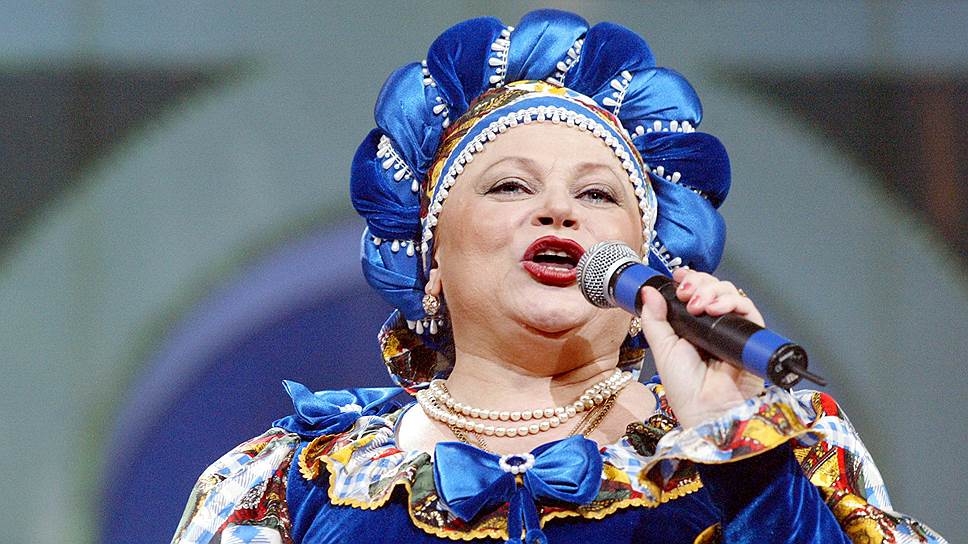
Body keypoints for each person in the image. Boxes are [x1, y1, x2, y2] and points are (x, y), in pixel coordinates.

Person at [171, 10, 946, 544]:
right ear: (429, 260)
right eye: (511, 186)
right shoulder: (292, 483)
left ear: (647, 261)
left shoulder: (783, 447)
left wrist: (737, 448)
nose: (558, 211)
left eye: (598, 195)